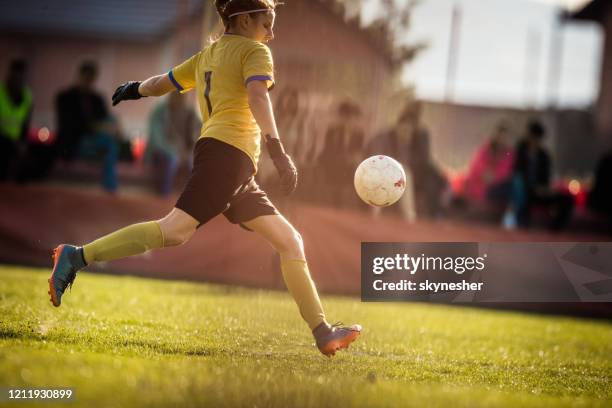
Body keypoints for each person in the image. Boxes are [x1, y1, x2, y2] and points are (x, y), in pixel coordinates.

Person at [47, 0, 361, 357]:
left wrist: (134, 88)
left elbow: (162, 83)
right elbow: (258, 96)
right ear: (244, 20)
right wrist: (277, 149)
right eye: (267, 22)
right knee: (175, 230)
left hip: (233, 164)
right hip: (227, 157)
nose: (271, 33)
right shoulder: (255, 52)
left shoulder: (207, 56)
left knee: (290, 241)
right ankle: (77, 256)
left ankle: (323, 332)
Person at [55, 61, 120, 192]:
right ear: (80, 76)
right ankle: (110, 187)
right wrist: (97, 127)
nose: (89, 81)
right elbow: (69, 125)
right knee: (109, 142)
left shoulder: (97, 99)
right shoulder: (65, 97)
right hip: (74, 141)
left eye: (91, 78)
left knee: (111, 135)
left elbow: (105, 119)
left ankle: (110, 186)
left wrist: (111, 127)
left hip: (94, 140)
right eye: (86, 77)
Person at [512, 120, 573, 230]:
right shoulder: (519, 151)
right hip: (523, 190)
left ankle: (555, 230)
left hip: (539, 190)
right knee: (521, 191)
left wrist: (544, 189)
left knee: (567, 199)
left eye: (536, 138)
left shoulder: (544, 156)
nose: (533, 140)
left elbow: (546, 177)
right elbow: (515, 173)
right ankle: (522, 226)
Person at [146, 91, 199, 195]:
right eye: (177, 93)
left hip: (184, 151)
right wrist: (174, 152)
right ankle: (164, 196)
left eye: (183, 93)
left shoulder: (190, 112)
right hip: (163, 152)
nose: (180, 96)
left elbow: (200, 133)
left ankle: (194, 197)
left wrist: (189, 151)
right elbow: (156, 139)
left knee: (195, 161)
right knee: (172, 159)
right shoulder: (160, 111)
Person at [0, 59, 32, 181]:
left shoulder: (27, 97)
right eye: (16, 75)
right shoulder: (1, 93)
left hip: (15, 143)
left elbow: (26, 123)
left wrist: (23, 143)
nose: (18, 79)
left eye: (22, 76)